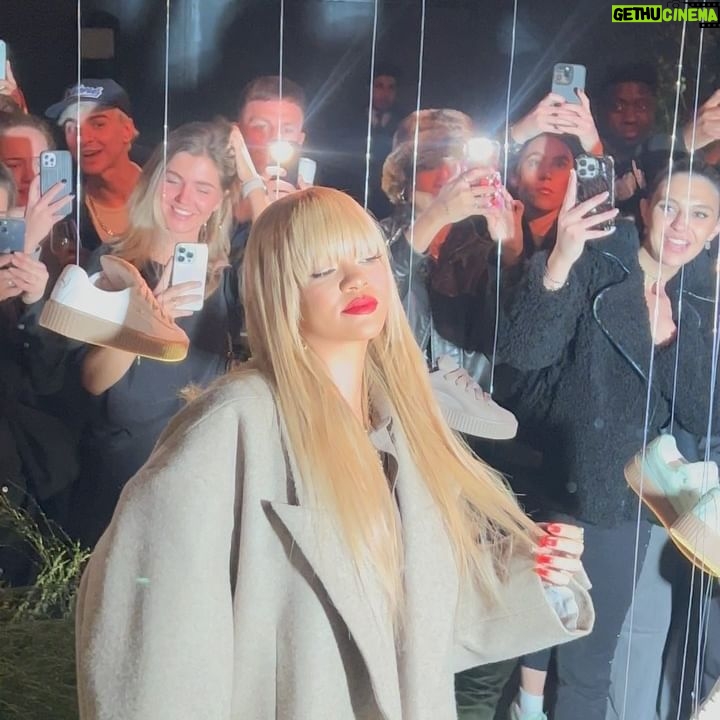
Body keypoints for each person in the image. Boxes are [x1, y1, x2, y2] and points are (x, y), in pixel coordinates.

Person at [75, 185, 593, 719]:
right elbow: (154, 641)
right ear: (279, 290)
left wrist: (534, 574)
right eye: (321, 269)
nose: (354, 279)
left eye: (368, 257)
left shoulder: (405, 429)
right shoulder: (234, 425)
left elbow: (416, 627)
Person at [494, 159, 720, 719]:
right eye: (668, 207)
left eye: (700, 215)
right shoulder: (597, 263)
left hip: (634, 499)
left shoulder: (699, 299)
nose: (681, 226)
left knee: (593, 657)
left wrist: (668, 341)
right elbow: (524, 353)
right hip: (569, 480)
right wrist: (560, 260)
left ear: (716, 228)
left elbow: (702, 412)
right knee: (563, 645)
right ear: (644, 210)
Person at [68, 119, 264, 547]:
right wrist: (142, 323)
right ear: (153, 182)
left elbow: (283, 248)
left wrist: (250, 177)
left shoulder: (230, 276)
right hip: (121, 479)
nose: (183, 199)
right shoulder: (113, 265)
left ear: (220, 200)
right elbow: (92, 380)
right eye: (173, 180)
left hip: (200, 480)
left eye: (202, 188)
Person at [0, 162, 77, 585]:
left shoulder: (15, 281)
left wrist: (33, 307)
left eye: (2, 222)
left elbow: (49, 382)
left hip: (24, 487)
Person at [45, 79, 143, 251]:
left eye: (98, 124)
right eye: (71, 128)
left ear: (127, 130)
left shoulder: (167, 189)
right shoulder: (63, 211)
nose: (83, 138)